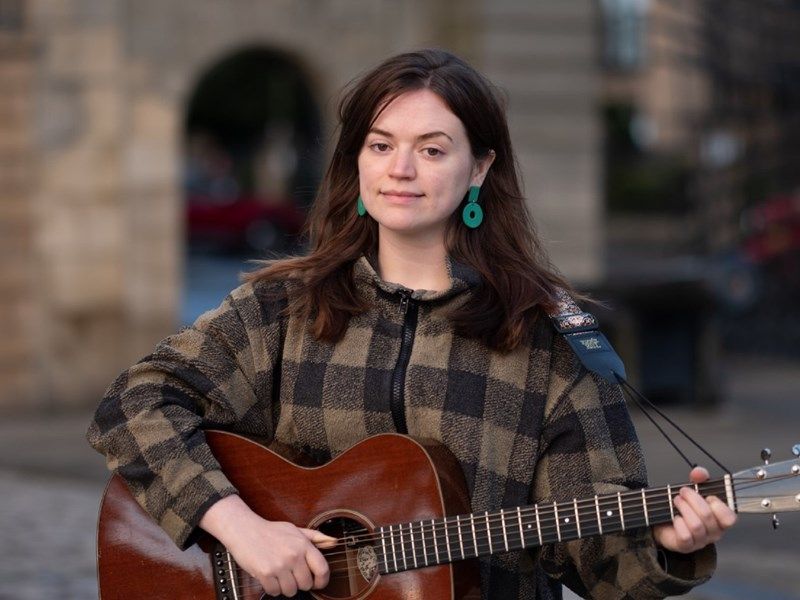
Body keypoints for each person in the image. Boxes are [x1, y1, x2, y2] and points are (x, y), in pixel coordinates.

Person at [87, 48, 736, 599]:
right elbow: (133, 404)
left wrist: (667, 545)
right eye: (381, 145)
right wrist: (240, 528)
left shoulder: (548, 340)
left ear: (479, 168)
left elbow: (604, 563)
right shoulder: (283, 308)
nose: (400, 170)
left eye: (431, 149)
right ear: (358, 161)